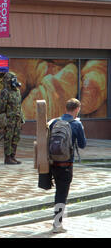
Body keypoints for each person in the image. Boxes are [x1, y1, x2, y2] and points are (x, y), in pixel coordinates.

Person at [49, 98, 86, 233]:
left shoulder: (54, 122)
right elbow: (82, 145)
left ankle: (57, 221)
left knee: (58, 192)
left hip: (53, 163)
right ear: (76, 109)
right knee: (62, 194)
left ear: (66, 108)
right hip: (66, 164)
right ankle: (57, 224)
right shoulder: (76, 124)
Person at [0, 72, 25, 165]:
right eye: (13, 79)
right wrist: (3, 120)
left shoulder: (17, 91)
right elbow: (1, 107)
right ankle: (7, 157)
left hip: (17, 118)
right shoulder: (5, 92)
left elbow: (19, 106)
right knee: (8, 138)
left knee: (16, 137)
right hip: (9, 119)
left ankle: (13, 156)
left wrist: (22, 118)